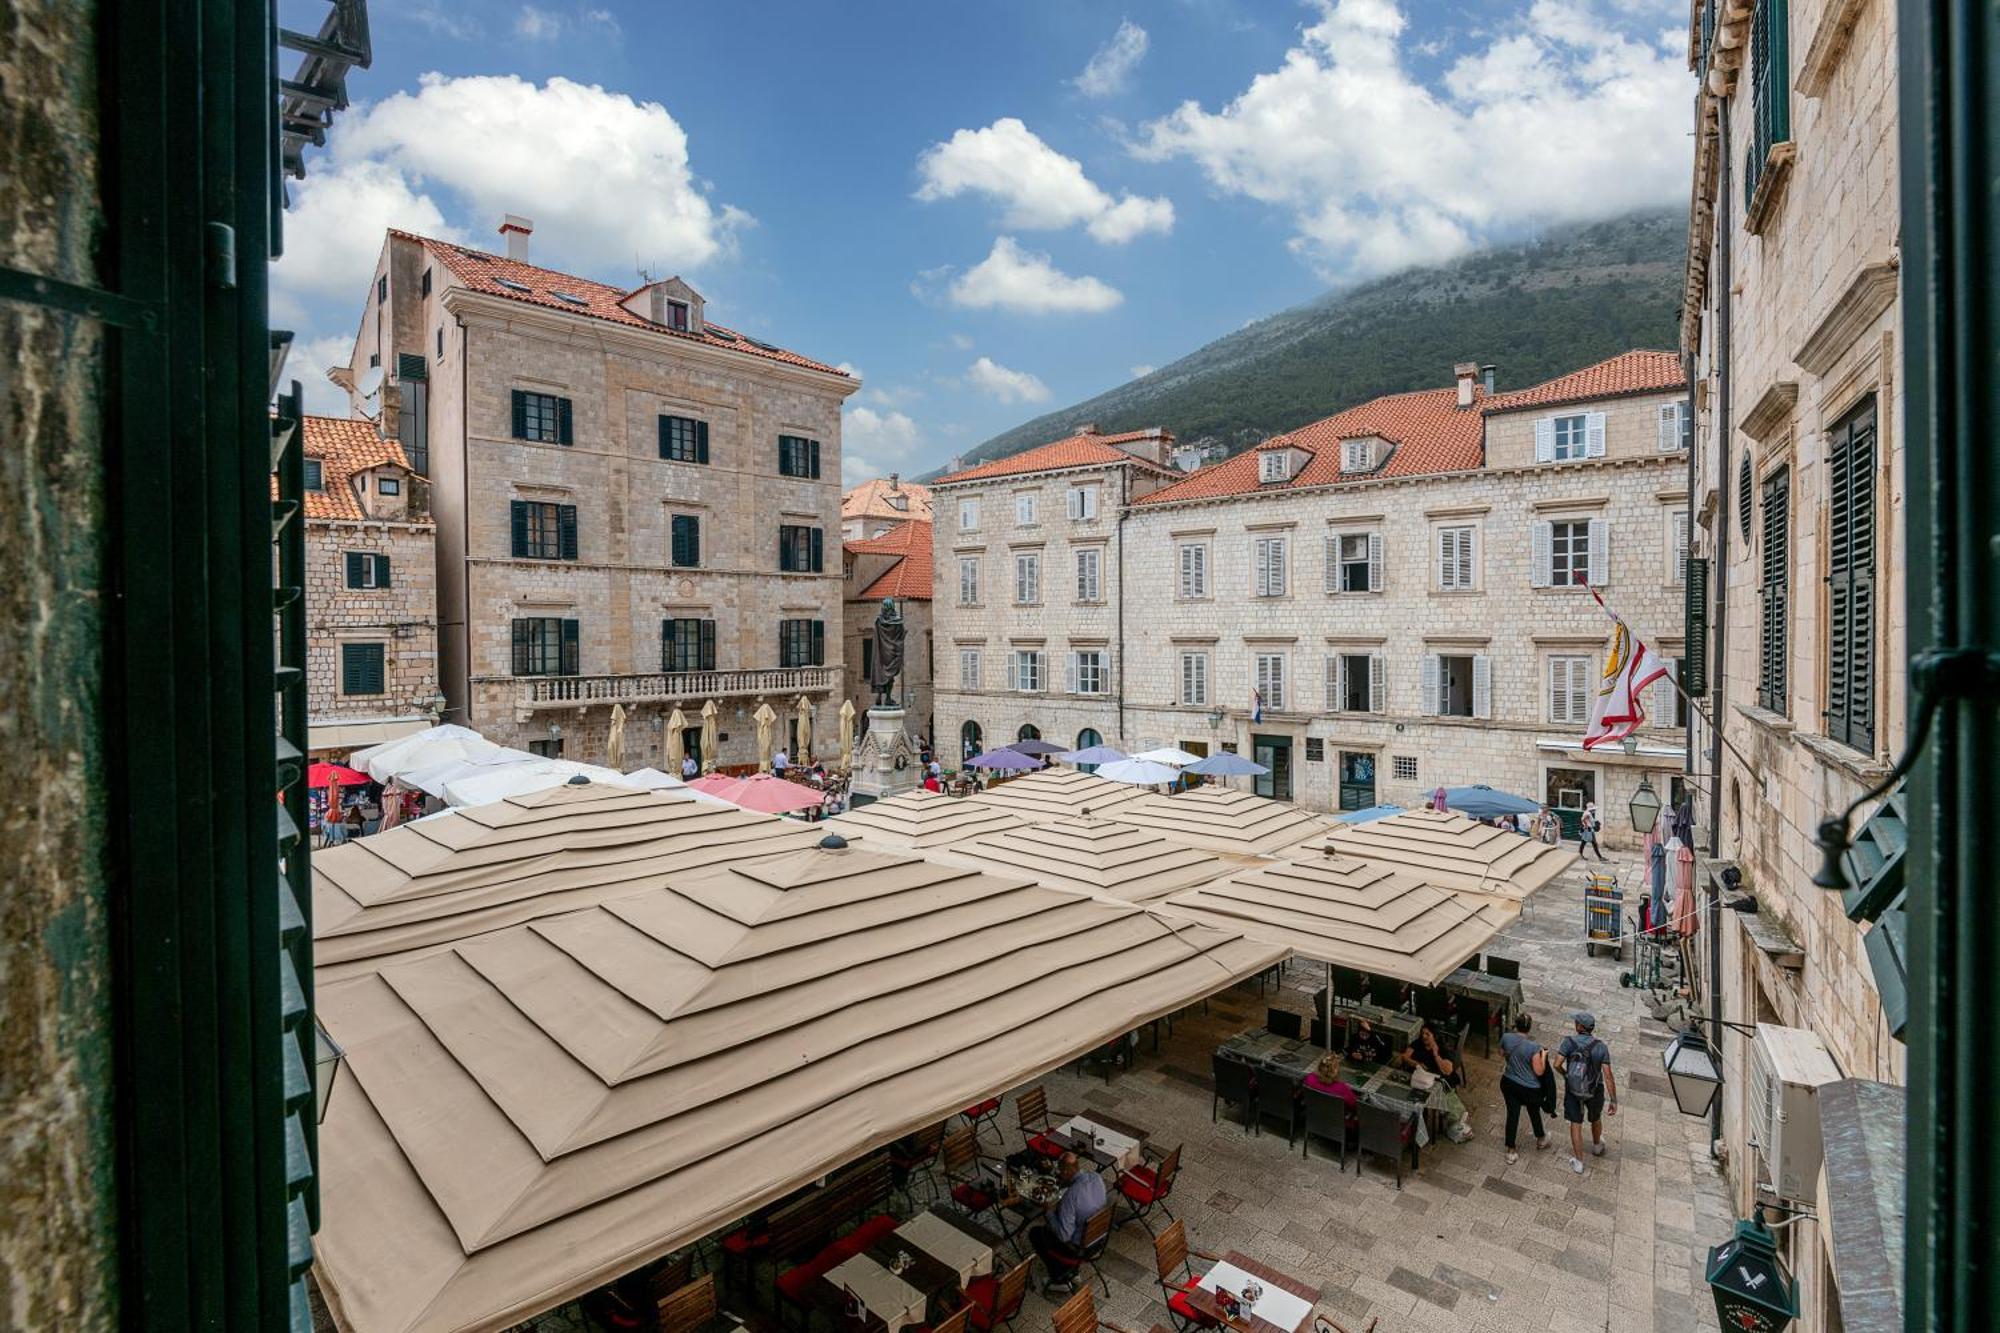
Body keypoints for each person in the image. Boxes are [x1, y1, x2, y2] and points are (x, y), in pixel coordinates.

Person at [1027, 1151, 1105, 1295]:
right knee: (1059, 1223)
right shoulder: (1097, 1178)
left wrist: (1049, 1211)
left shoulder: (1071, 1196)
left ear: (1067, 1170)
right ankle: (1073, 1273)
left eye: (1060, 1172)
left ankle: (1059, 1279)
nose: (1059, 1175)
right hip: (1099, 1238)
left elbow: (1064, 1236)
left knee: (1037, 1233)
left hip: (1080, 1249)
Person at [1552, 1011, 1617, 1174]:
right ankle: (1596, 1146)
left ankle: (1579, 1162)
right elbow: (1608, 1075)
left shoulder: (1568, 1042)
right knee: (1595, 1117)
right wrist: (1613, 1100)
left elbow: (1557, 1064)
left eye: (1576, 1022)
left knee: (1576, 1123)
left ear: (1580, 1027)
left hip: (1573, 1090)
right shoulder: (1601, 1047)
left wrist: (1566, 1075)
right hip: (1595, 1089)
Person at [1499, 1013, 1552, 1164]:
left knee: (1512, 1114)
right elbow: (1539, 1071)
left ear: (1516, 1024)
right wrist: (1544, 1055)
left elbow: (1501, 1053)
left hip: (1508, 1082)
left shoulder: (1506, 1037)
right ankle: (1541, 1138)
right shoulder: (1534, 1047)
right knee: (1533, 1111)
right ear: (1529, 1028)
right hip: (1529, 1088)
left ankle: (1511, 1150)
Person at [1399, 1022, 1465, 1089]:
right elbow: (1405, 1056)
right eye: (1422, 1033)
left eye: (1427, 1034)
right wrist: (1417, 1064)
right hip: (1419, 1078)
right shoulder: (1418, 1043)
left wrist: (1435, 1055)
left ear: (1434, 1036)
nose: (1424, 1036)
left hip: (1436, 1080)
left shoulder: (1442, 1048)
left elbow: (1447, 1071)